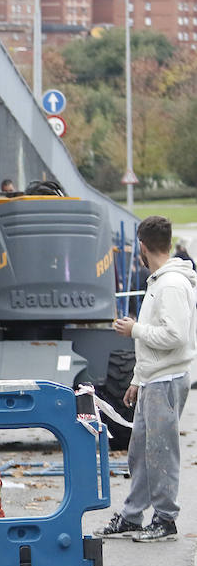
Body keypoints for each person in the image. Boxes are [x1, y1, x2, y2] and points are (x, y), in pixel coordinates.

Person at [97, 216, 197, 543]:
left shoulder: (170, 285)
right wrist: (138, 379)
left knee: (161, 451)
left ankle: (165, 519)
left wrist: (134, 329)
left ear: (142, 245)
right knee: (141, 450)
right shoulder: (160, 281)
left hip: (166, 380)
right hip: (154, 379)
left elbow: (176, 336)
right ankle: (132, 515)